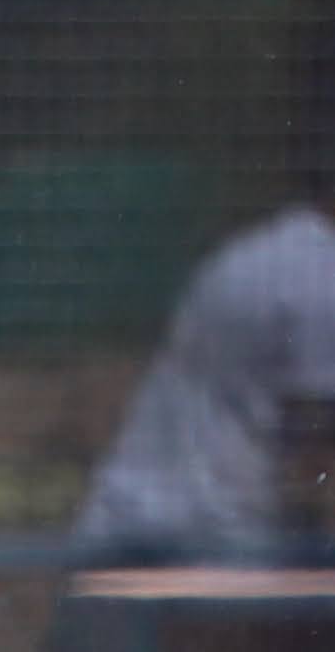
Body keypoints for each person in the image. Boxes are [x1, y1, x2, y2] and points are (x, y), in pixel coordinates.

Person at [72, 193, 335, 559]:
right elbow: (313, 455)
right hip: (216, 545)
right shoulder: (320, 280)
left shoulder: (266, 251)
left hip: (128, 520)